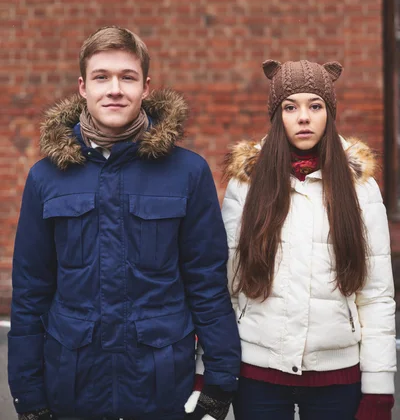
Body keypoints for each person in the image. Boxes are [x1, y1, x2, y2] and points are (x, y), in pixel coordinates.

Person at [8, 26, 240, 420]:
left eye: (127, 77)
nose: (114, 89)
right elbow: (30, 293)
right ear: (83, 86)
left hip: (162, 385)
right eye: (102, 77)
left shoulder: (188, 172)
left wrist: (219, 383)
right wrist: (28, 396)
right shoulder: (46, 178)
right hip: (74, 386)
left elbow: (207, 284)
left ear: (146, 87)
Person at [221, 59, 396, 420]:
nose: (304, 117)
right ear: (277, 115)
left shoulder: (360, 186)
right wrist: (211, 372)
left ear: (329, 114)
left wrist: (379, 388)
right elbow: (227, 285)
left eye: (315, 106)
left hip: (339, 378)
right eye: (290, 107)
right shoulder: (246, 183)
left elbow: (376, 295)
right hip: (257, 374)